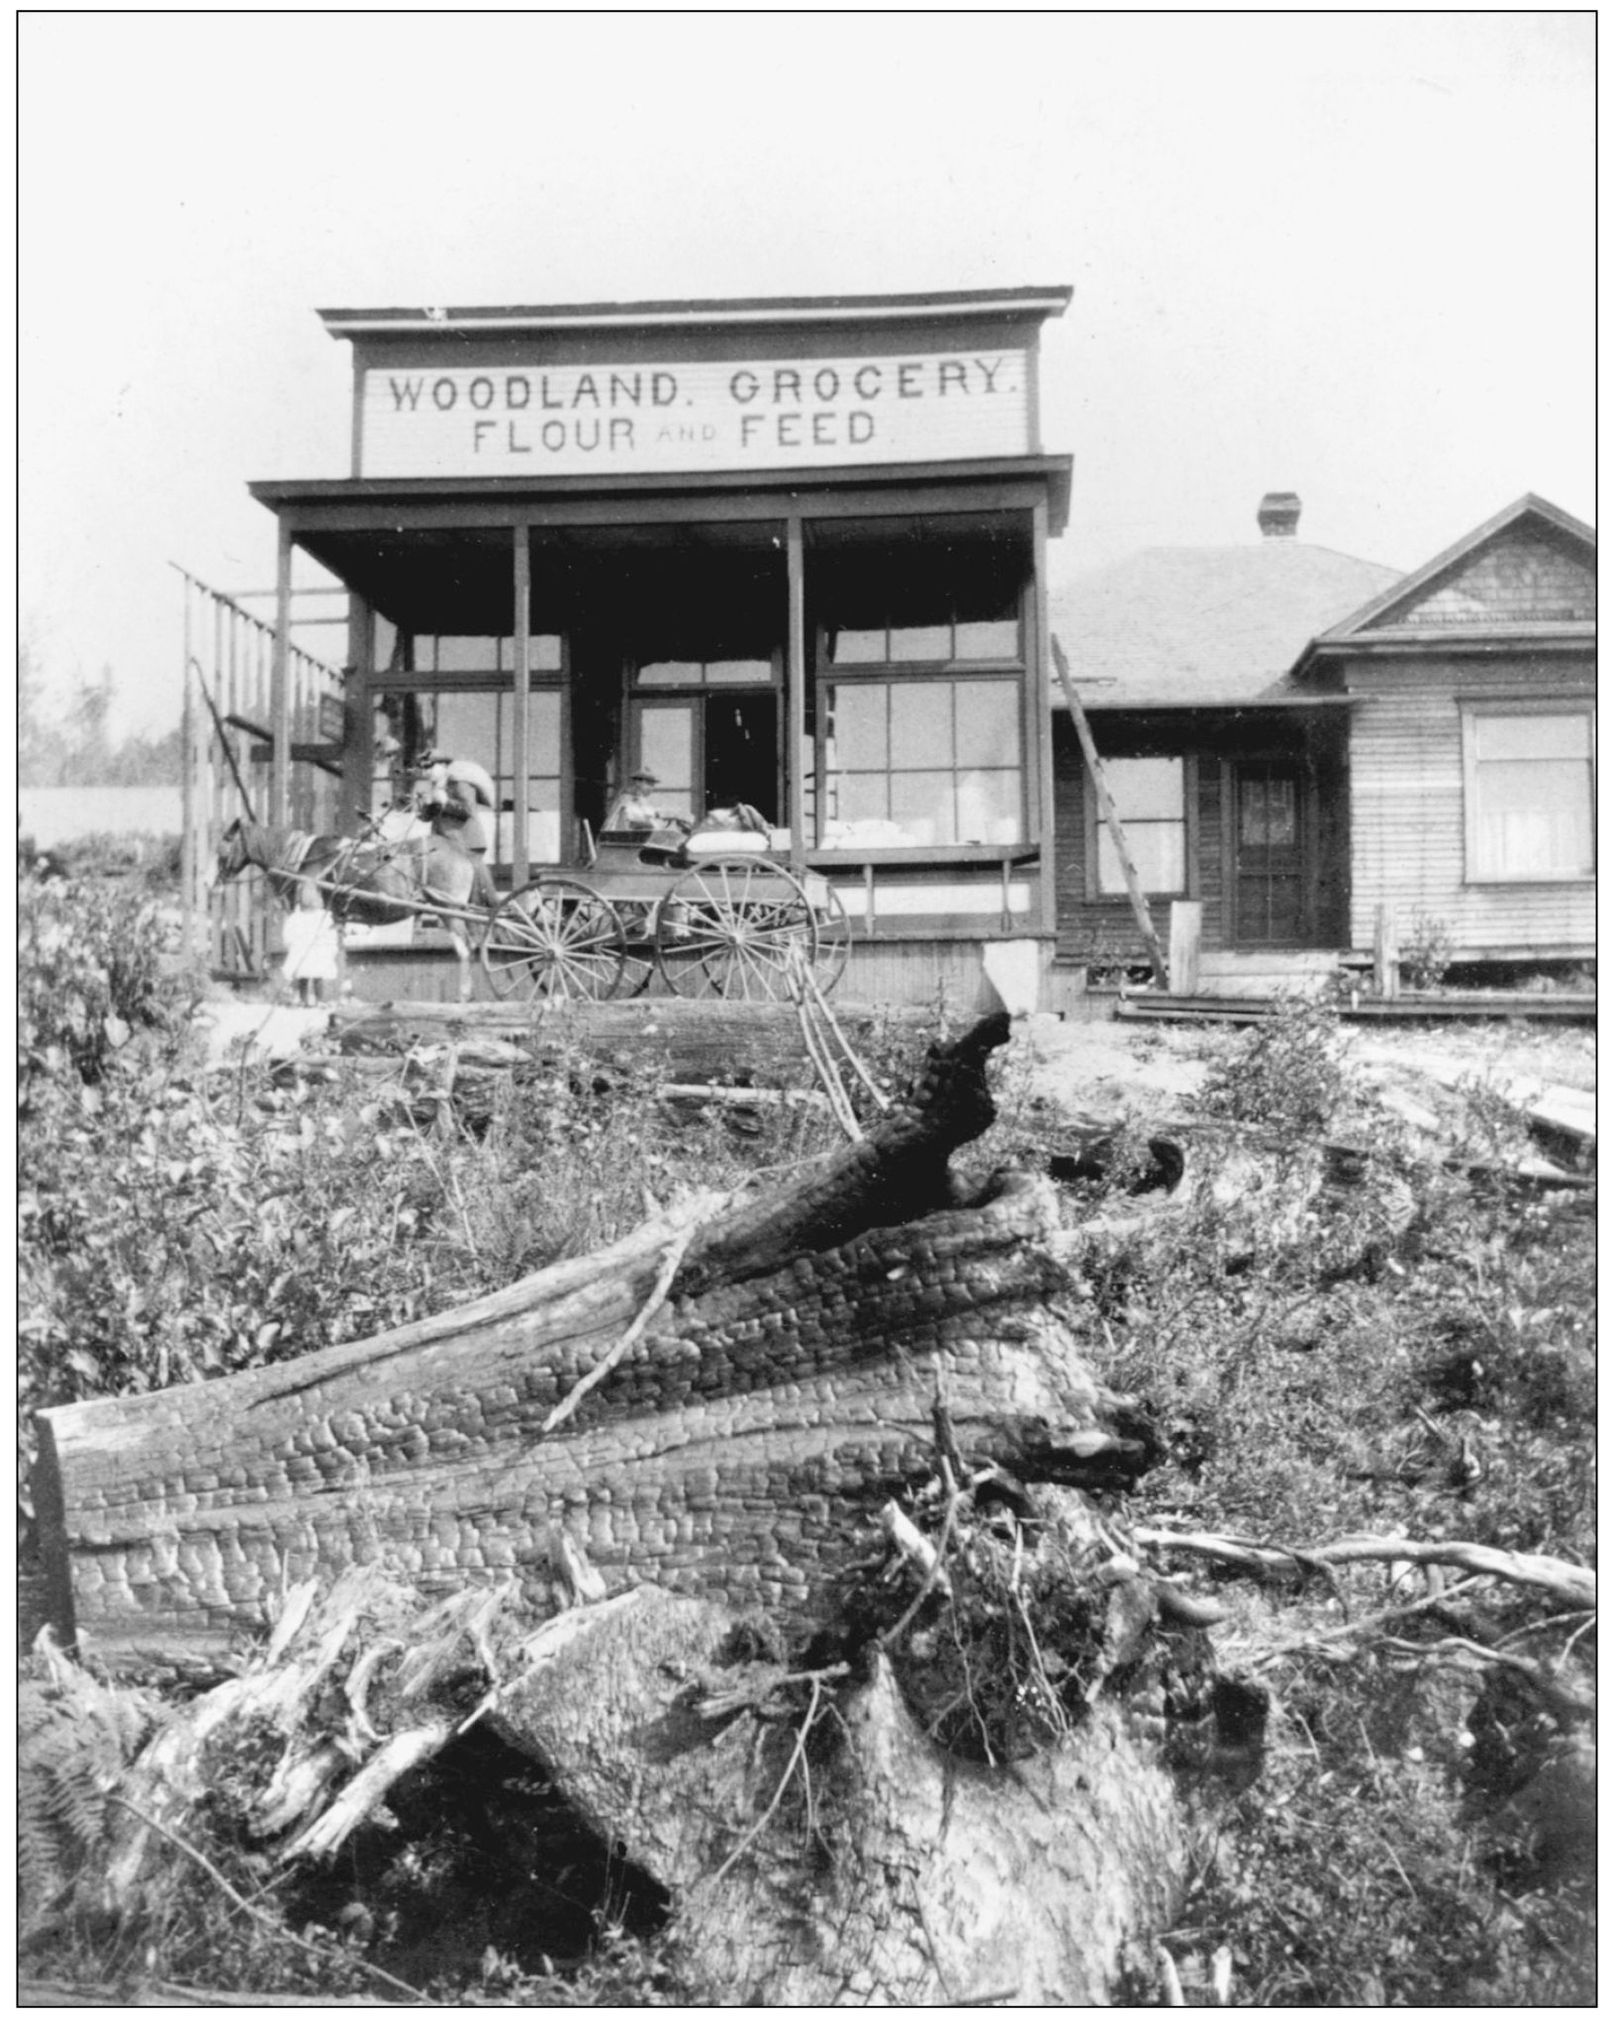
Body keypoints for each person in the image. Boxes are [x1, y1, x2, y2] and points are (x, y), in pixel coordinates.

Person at [602, 767, 668, 834]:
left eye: (652, 785)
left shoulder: (643, 800)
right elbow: (629, 820)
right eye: (648, 784)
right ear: (638, 783)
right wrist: (651, 823)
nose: (651, 788)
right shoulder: (627, 798)